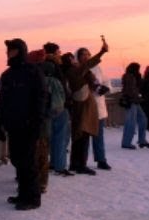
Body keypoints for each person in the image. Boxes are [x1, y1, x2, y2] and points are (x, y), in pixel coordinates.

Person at [0, 38, 47, 210]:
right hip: (13, 126)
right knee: (18, 160)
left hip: (28, 125)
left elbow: (41, 99)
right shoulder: (7, 75)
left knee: (28, 162)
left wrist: (36, 124)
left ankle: (32, 198)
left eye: (11, 50)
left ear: (20, 51)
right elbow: (2, 102)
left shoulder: (33, 72)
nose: (7, 53)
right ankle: (23, 194)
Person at [65, 38, 109, 175]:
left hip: (88, 106)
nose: (85, 57)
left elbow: (96, 82)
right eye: (81, 55)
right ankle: (79, 164)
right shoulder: (75, 71)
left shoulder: (83, 71)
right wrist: (101, 52)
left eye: (87, 54)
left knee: (83, 135)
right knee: (81, 135)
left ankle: (77, 163)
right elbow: (86, 67)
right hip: (82, 107)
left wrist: (102, 88)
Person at [43, 43, 73, 176]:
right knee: (61, 135)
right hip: (60, 106)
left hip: (47, 106)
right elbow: (63, 87)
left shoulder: (41, 65)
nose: (60, 54)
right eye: (58, 52)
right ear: (55, 52)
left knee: (51, 136)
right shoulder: (56, 67)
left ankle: (53, 163)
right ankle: (59, 165)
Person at [87, 51, 113, 170]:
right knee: (83, 137)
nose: (87, 56)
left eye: (88, 54)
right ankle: (80, 161)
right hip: (87, 106)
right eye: (84, 54)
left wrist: (106, 88)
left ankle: (101, 159)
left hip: (99, 107)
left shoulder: (97, 68)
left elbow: (106, 80)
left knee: (99, 136)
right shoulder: (80, 69)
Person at [119, 62, 147, 149]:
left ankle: (142, 140)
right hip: (131, 101)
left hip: (135, 101)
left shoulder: (133, 76)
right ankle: (126, 143)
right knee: (131, 122)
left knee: (143, 119)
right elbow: (130, 90)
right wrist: (137, 97)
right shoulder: (129, 77)